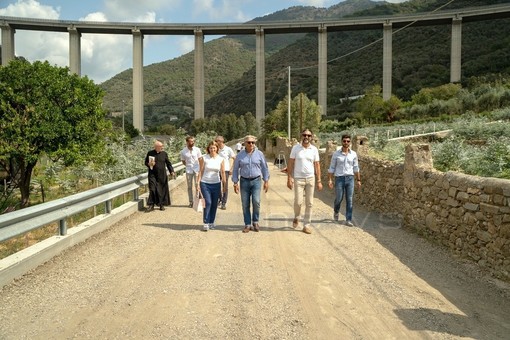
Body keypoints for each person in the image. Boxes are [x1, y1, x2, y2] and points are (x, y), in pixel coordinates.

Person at [286, 129, 323, 234]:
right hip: (298, 178)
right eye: (304, 135)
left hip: (311, 179)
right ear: (301, 136)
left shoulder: (314, 149)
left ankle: (306, 225)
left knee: (310, 203)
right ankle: (297, 216)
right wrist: (289, 178)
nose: (306, 137)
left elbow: (317, 165)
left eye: (309, 135)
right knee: (298, 202)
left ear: (311, 137)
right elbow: (291, 163)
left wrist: (319, 180)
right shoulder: (296, 148)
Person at [232, 135, 270, 233]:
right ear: (244, 143)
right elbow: (236, 169)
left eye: (253, 142)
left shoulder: (259, 154)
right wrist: (235, 182)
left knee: (256, 202)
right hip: (244, 181)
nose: (251, 144)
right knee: (245, 204)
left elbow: (264, 167)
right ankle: (247, 224)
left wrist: (266, 180)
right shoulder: (240, 155)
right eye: (249, 142)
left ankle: (255, 222)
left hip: (256, 181)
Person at [327, 134, 361, 226]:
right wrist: (330, 180)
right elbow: (332, 167)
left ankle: (348, 219)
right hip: (339, 179)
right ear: (342, 142)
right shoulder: (336, 154)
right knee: (339, 198)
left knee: (349, 199)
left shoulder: (353, 154)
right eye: (344, 141)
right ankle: (336, 211)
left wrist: (358, 180)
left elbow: (356, 168)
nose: (346, 143)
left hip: (350, 179)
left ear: (350, 142)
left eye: (348, 141)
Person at [197, 140, 226, 231]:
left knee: (214, 204)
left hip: (216, 183)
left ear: (217, 148)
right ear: (208, 149)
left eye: (214, 148)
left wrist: (224, 185)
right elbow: (201, 171)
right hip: (205, 183)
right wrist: (197, 183)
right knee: (208, 202)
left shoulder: (221, 159)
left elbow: (222, 172)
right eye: (210, 148)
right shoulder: (204, 158)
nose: (212, 149)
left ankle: (211, 222)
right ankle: (206, 222)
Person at [144, 140, 175, 211]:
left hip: (162, 175)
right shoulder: (150, 153)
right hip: (152, 174)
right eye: (160, 146)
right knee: (152, 189)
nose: (162, 147)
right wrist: (149, 164)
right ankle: (151, 205)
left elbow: (168, 163)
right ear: (156, 147)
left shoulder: (164, 154)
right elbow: (145, 162)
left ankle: (161, 204)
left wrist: (171, 171)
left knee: (161, 190)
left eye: (162, 146)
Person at [180, 136, 203, 208]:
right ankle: (191, 201)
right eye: (190, 141)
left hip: (197, 169)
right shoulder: (183, 151)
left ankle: (197, 201)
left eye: (193, 141)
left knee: (197, 185)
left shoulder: (197, 150)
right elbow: (183, 161)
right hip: (189, 170)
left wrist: (200, 169)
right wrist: (188, 166)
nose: (192, 143)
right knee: (189, 187)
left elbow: (200, 159)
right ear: (187, 142)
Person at [215, 135, 236, 210]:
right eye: (216, 141)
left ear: (221, 141)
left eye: (217, 141)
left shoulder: (228, 149)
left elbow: (234, 158)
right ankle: (219, 199)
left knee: (225, 187)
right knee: (217, 186)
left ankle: (224, 203)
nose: (216, 142)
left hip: (225, 170)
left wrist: (231, 169)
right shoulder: (216, 149)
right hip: (217, 170)